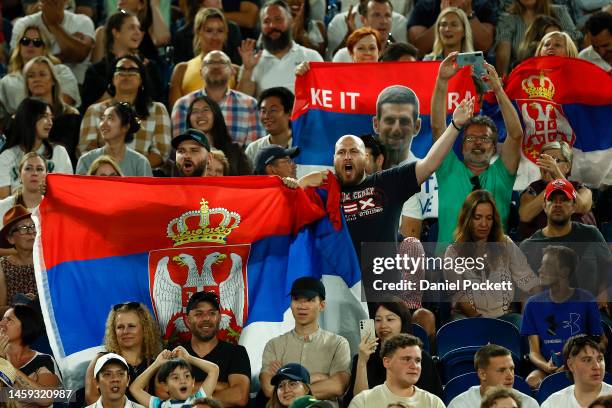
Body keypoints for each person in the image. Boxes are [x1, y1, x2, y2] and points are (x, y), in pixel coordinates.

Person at [332, 91, 474, 258]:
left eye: (354, 151)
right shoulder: (323, 189)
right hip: (340, 279)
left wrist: (455, 126)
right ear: (334, 159)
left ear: (365, 158)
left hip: (381, 279)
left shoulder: (388, 182)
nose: (347, 156)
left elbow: (429, 164)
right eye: (341, 152)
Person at [431, 53, 522, 250]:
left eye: (485, 138)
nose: (478, 143)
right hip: (447, 273)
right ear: (462, 145)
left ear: (494, 145)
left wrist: (497, 89)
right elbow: (438, 127)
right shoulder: (448, 169)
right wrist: (442, 80)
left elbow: (515, 135)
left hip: (493, 270)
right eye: (471, 138)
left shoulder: (502, 174)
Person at [259, 277, 351, 407]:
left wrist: (288, 384)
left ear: (322, 305)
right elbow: (269, 389)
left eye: (309, 300)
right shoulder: (274, 345)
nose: (302, 306)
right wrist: (319, 377)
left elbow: (338, 386)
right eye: (296, 299)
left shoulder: (338, 343)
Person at [521, 245, 603, 389]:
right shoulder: (533, 304)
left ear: (564, 271)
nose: (540, 270)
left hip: (581, 366)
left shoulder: (586, 300)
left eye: (547, 265)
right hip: (547, 368)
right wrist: (546, 366)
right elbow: (534, 352)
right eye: (541, 264)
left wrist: (576, 363)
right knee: (532, 381)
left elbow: (601, 342)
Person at [520, 179, 611, 301]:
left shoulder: (591, 234)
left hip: (591, 310)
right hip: (547, 315)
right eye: (552, 199)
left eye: (564, 199)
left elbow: (608, 267)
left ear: (574, 206)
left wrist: (604, 293)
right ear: (544, 206)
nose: (557, 204)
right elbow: (525, 293)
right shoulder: (528, 246)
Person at [79, 55, 172, 170]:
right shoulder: (95, 110)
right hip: (104, 179)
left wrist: (129, 170)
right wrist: (113, 171)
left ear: (141, 80)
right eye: (121, 70)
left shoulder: (157, 109)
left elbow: (161, 153)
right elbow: (86, 149)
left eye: (132, 71)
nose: (126, 74)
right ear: (112, 79)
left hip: (142, 178)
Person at [346, 302, 442, 404]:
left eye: (390, 319)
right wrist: (362, 362)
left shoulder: (421, 359)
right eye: (378, 320)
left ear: (403, 322)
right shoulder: (362, 357)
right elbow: (360, 403)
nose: (383, 325)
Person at [172, 50, 263, 147]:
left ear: (233, 71)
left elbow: (254, 151)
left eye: (222, 63)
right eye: (210, 63)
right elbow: (181, 149)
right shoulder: (183, 104)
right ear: (201, 72)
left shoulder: (250, 104)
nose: (216, 67)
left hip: (238, 161)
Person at [236, 0, 323, 97]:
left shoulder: (311, 57)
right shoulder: (251, 63)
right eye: (266, 21)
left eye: (278, 19)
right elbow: (242, 103)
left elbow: (325, 97)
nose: (272, 26)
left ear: (290, 22)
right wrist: (248, 70)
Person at [81, 10, 162, 110]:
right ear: (116, 33)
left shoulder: (149, 67)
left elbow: (158, 103)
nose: (138, 33)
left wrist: (143, 75)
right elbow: (89, 111)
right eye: (131, 27)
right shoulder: (96, 71)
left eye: (139, 28)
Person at [181, 291, 251, 407]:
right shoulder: (176, 352)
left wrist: (190, 396)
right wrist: (220, 385)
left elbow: (239, 396)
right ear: (187, 320)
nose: (206, 318)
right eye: (199, 314)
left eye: (212, 313)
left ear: (219, 318)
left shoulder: (236, 352)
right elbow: (163, 395)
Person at [84, 302, 162, 405]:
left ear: (145, 329)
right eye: (120, 327)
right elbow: (92, 400)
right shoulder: (101, 360)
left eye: (131, 326)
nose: (125, 331)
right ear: (114, 331)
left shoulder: (155, 365)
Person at [0, 25, 80, 122]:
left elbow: (63, 105)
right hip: (20, 129)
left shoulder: (61, 71)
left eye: (37, 42)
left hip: (59, 123)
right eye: (25, 41)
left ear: (44, 47)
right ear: (19, 47)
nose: (30, 45)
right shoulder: (6, 82)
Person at [519, 141, 593, 240]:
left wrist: (558, 176)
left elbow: (582, 207)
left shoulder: (580, 188)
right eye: (544, 160)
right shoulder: (533, 189)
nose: (549, 165)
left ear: (567, 167)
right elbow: (525, 215)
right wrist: (552, 185)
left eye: (556, 161)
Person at [0, 98, 73, 199]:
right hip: (19, 213)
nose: (50, 122)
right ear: (28, 119)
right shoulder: (6, 157)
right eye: (44, 116)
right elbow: (3, 203)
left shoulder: (59, 152)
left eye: (51, 117)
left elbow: (68, 193)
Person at [9, 0, 95, 83]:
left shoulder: (83, 21)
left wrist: (53, 25)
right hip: (30, 85)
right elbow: (17, 61)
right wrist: (67, 52)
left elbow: (80, 55)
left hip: (72, 86)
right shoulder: (23, 24)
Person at [169, 8, 240, 108]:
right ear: (198, 32)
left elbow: (241, 111)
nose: (215, 36)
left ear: (225, 34)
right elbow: (176, 115)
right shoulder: (181, 70)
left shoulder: (236, 72)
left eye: (220, 30)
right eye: (209, 30)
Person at [348, 334, 444, 407]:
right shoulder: (363, 401)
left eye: (418, 360)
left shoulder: (433, 403)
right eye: (406, 359)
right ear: (387, 362)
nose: (414, 366)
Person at [494, 0, 580, 75]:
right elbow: (503, 55)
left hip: (561, 72)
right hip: (525, 73)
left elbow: (572, 47)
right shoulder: (509, 19)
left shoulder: (559, 12)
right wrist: (503, 84)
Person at [23, 55, 81, 165]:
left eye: (42, 74)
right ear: (27, 83)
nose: (37, 79)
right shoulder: (18, 118)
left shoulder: (71, 115)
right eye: (31, 76)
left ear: (53, 80)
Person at [0, 304, 62, 406]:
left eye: (9, 320)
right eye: (2, 319)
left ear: (25, 327)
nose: (1, 323)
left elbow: (46, 398)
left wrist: (6, 365)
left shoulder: (43, 360)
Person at [447, 344, 539, 408]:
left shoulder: (529, 404)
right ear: (482, 374)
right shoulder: (460, 405)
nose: (510, 376)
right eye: (501, 370)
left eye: (511, 369)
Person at [77, 102, 152, 176]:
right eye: (102, 119)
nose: (103, 124)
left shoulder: (140, 163)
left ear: (125, 127)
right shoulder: (86, 160)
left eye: (110, 118)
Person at [129, 347, 220, 407]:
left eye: (187, 376)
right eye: (175, 377)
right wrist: (156, 364)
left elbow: (214, 370)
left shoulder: (198, 401)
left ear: (193, 381)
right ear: (165, 386)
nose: (182, 380)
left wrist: (188, 358)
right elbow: (134, 388)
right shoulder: (160, 405)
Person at [185, 95, 252, 175]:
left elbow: (247, 183)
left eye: (205, 110)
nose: (200, 115)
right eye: (195, 111)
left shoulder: (235, 152)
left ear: (216, 115)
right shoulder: (182, 154)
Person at [541, 335, 612, 407]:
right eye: (587, 360)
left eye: (600, 359)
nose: (597, 366)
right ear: (570, 365)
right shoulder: (553, 404)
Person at [407, 0, 496, 57]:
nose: (447, 29)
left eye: (454, 25)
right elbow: (418, 49)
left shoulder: (483, 5)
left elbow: (485, 45)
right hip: (434, 64)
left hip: (471, 62)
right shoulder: (424, 6)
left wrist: (469, 14)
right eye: (444, 25)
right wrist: (443, 16)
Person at [91, 0, 170, 64]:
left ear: (140, 5)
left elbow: (162, 39)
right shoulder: (102, 32)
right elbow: (98, 71)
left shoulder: (147, 30)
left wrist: (154, 6)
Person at [326, 0, 407, 61]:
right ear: (363, 20)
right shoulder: (344, 55)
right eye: (376, 15)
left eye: (387, 15)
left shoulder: (401, 56)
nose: (383, 21)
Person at [172, 0, 242, 64]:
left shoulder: (232, 29)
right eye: (209, 31)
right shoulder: (182, 36)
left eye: (220, 31)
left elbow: (237, 66)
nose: (219, 1)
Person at [0, 206, 38, 315]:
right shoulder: (3, 266)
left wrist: (39, 304)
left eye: (32, 226)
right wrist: (23, 306)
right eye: (23, 228)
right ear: (10, 238)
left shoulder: (47, 260)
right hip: (18, 324)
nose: (31, 232)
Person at [246, 87, 294, 164]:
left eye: (273, 110)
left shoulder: (304, 146)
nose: (266, 116)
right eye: (263, 111)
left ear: (290, 113)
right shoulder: (253, 149)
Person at [0, 153, 46, 222]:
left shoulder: (56, 209)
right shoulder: (2, 207)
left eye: (39, 169)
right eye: (28, 168)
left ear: (46, 174)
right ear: (19, 175)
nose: (34, 173)